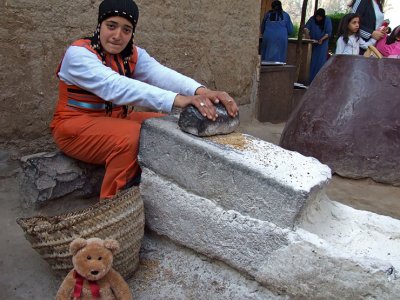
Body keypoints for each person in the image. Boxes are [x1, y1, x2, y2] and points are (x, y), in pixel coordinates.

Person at [50, 0, 238, 200]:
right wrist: (179, 99)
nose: (117, 36)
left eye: (126, 30)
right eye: (111, 26)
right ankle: (113, 206)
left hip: (118, 119)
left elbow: (160, 74)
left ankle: (161, 191)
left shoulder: (131, 54)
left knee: (168, 125)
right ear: (99, 25)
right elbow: (113, 86)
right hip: (74, 127)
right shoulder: (78, 54)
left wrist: (202, 91)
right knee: (131, 137)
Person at [304, 8, 332, 82]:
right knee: (311, 61)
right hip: (313, 43)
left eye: (320, 17)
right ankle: (309, 79)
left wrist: (322, 39)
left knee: (320, 62)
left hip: (322, 44)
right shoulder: (312, 19)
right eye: (317, 16)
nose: (318, 18)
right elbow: (306, 28)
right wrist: (307, 35)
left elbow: (328, 33)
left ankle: (318, 80)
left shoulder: (327, 20)